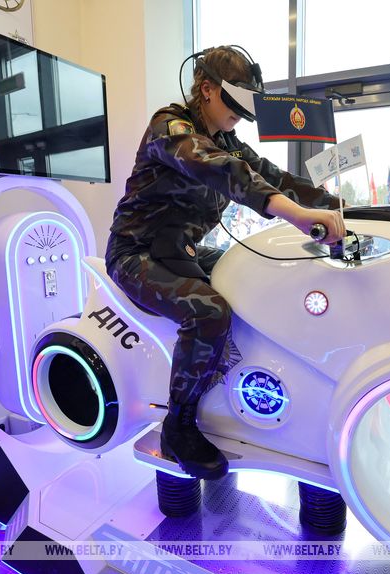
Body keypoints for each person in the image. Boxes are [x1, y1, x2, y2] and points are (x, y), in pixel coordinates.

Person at [104, 46, 346, 480]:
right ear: (206, 89)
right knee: (209, 312)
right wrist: (297, 216)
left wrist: (338, 207)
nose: (238, 115)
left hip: (181, 249)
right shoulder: (170, 127)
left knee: (255, 274)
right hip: (135, 253)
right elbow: (223, 171)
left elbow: (272, 176)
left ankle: (233, 394)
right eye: (232, 103)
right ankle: (178, 426)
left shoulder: (228, 141)